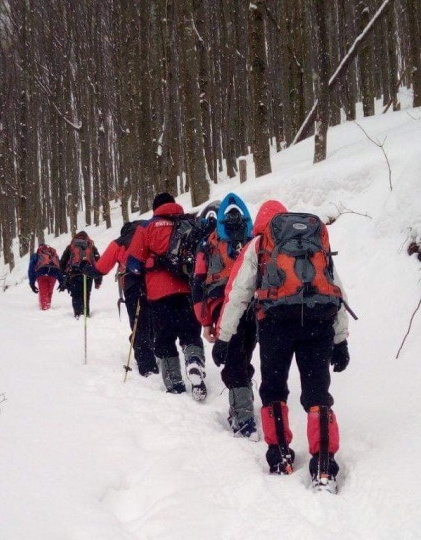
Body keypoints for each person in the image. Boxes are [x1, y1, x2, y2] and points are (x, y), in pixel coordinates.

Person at [215, 200, 351, 493]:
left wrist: (225, 337)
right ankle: (324, 465)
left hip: (276, 324)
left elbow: (238, 293)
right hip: (319, 322)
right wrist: (341, 340)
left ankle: (280, 457)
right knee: (317, 393)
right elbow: (335, 286)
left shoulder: (259, 244)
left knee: (274, 389)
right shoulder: (313, 240)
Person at [127, 192, 207, 401]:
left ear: (155, 208)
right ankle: (194, 361)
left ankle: (175, 385)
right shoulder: (190, 222)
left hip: (159, 294)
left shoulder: (147, 227)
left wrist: (149, 266)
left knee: (165, 338)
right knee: (190, 333)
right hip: (188, 289)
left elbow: (133, 263)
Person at [193, 193, 258, 438]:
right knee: (242, 356)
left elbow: (198, 283)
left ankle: (243, 420)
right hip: (254, 306)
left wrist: (205, 322)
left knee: (234, 361)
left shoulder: (208, 243)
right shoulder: (254, 239)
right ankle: (244, 402)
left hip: (223, 307)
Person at [80, 221, 158, 377]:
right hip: (156, 283)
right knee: (153, 320)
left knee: (138, 323)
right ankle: (154, 349)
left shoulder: (120, 242)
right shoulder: (152, 235)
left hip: (132, 286)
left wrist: (85, 267)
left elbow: (100, 269)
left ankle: (148, 367)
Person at [60, 231, 102, 319]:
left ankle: (78, 314)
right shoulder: (91, 247)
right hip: (88, 274)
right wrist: (98, 281)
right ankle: (85, 314)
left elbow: (63, 262)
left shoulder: (71, 247)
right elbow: (98, 264)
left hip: (74, 274)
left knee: (76, 296)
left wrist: (64, 276)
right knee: (86, 295)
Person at [27, 243, 66, 310]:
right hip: (53, 275)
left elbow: (31, 269)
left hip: (41, 274)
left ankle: (45, 309)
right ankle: (47, 306)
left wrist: (32, 283)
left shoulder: (36, 255)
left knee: (43, 292)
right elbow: (58, 268)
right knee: (49, 292)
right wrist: (61, 281)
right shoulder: (53, 255)